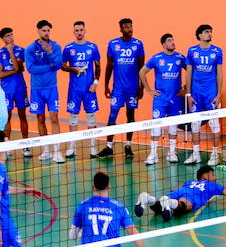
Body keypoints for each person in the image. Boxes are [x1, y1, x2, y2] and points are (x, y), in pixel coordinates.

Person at [135, 164, 226, 221]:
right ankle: (169, 203)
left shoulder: (190, 182)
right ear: (206, 175)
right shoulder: (214, 185)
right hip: (193, 196)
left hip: (183, 190)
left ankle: (148, 198)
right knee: (185, 206)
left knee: (159, 208)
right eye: (213, 175)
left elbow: (174, 189)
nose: (215, 178)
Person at [100, 18, 145, 158]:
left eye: (131, 26)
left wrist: (141, 86)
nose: (130, 29)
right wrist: (106, 85)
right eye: (126, 27)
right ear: (121, 29)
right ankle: (108, 147)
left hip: (132, 88)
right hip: (118, 89)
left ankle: (128, 146)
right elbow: (109, 65)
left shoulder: (138, 44)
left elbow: (141, 68)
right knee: (112, 116)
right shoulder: (113, 44)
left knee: (130, 116)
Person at [141, 32, 188, 165]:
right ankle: (153, 154)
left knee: (173, 126)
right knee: (156, 125)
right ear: (163, 44)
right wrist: (149, 90)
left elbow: (190, 71)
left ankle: (172, 152)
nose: (172, 42)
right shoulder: (156, 58)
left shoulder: (180, 58)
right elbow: (142, 72)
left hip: (175, 98)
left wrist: (186, 88)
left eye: (173, 40)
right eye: (169, 40)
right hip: (160, 99)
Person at [25, 19, 65, 162]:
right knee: (40, 119)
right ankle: (46, 150)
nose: (46, 33)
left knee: (54, 118)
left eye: (48, 30)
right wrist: (49, 66)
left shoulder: (55, 46)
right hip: (36, 90)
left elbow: (59, 64)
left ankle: (57, 151)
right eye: (44, 30)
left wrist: (50, 54)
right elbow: (30, 69)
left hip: (51, 88)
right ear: (38, 31)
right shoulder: (30, 49)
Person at [185, 24, 224, 166]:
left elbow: (219, 74)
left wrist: (219, 94)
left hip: (211, 94)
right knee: (194, 124)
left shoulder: (217, 51)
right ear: (200, 35)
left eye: (211, 32)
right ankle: (196, 154)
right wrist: (188, 94)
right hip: (196, 94)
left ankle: (214, 154)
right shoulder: (192, 51)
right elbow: (188, 73)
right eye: (207, 32)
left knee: (215, 124)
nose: (210, 34)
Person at [61, 22, 101, 157]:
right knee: (73, 118)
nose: (79, 32)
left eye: (81, 30)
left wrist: (96, 82)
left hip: (89, 89)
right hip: (74, 89)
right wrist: (74, 69)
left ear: (85, 31)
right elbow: (62, 66)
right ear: (73, 32)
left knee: (91, 118)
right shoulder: (68, 48)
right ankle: (72, 147)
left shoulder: (92, 47)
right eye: (77, 30)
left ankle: (93, 148)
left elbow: (98, 66)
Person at [0, 26, 31, 146]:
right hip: (6, 90)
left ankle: (25, 145)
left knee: (22, 116)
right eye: (7, 36)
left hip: (20, 88)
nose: (11, 38)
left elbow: (19, 66)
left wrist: (11, 52)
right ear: (2, 39)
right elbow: (0, 74)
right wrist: (16, 70)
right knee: (6, 118)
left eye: (11, 35)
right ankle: (7, 145)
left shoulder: (21, 50)